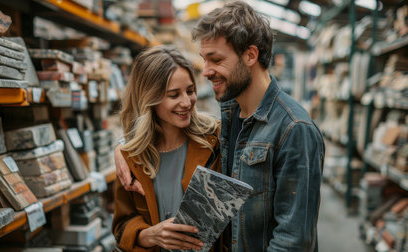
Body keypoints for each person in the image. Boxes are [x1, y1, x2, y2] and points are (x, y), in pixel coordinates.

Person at [116, 1, 324, 251]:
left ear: (250, 55)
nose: (205, 71)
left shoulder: (294, 128)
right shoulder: (229, 120)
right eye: (204, 60)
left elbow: (292, 241)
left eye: (215, 59)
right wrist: (122, 148)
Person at [112, 45, 223, 251]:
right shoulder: (132, 158)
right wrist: (150, 235)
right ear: (149, 98)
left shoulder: (214, 140)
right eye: (173, 95)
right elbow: (121, 227)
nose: (186, 102)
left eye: (190, 91)